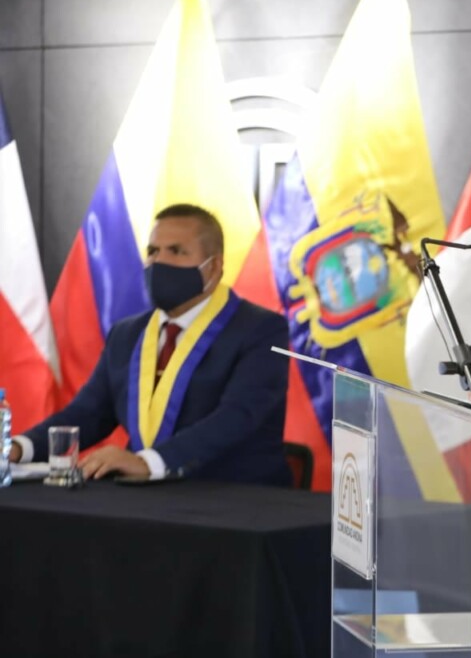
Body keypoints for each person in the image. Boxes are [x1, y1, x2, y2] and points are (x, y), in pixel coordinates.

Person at [10, 204, 291, 486]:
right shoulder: (127, 333)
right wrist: (20, 448)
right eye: (153, 251)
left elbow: (237, 417)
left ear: (214, 267)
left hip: (236, 498)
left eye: (176, 251)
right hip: (144, 498)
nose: (159, 262)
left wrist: (149, 462)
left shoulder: (261, 330)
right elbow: (88, 413)